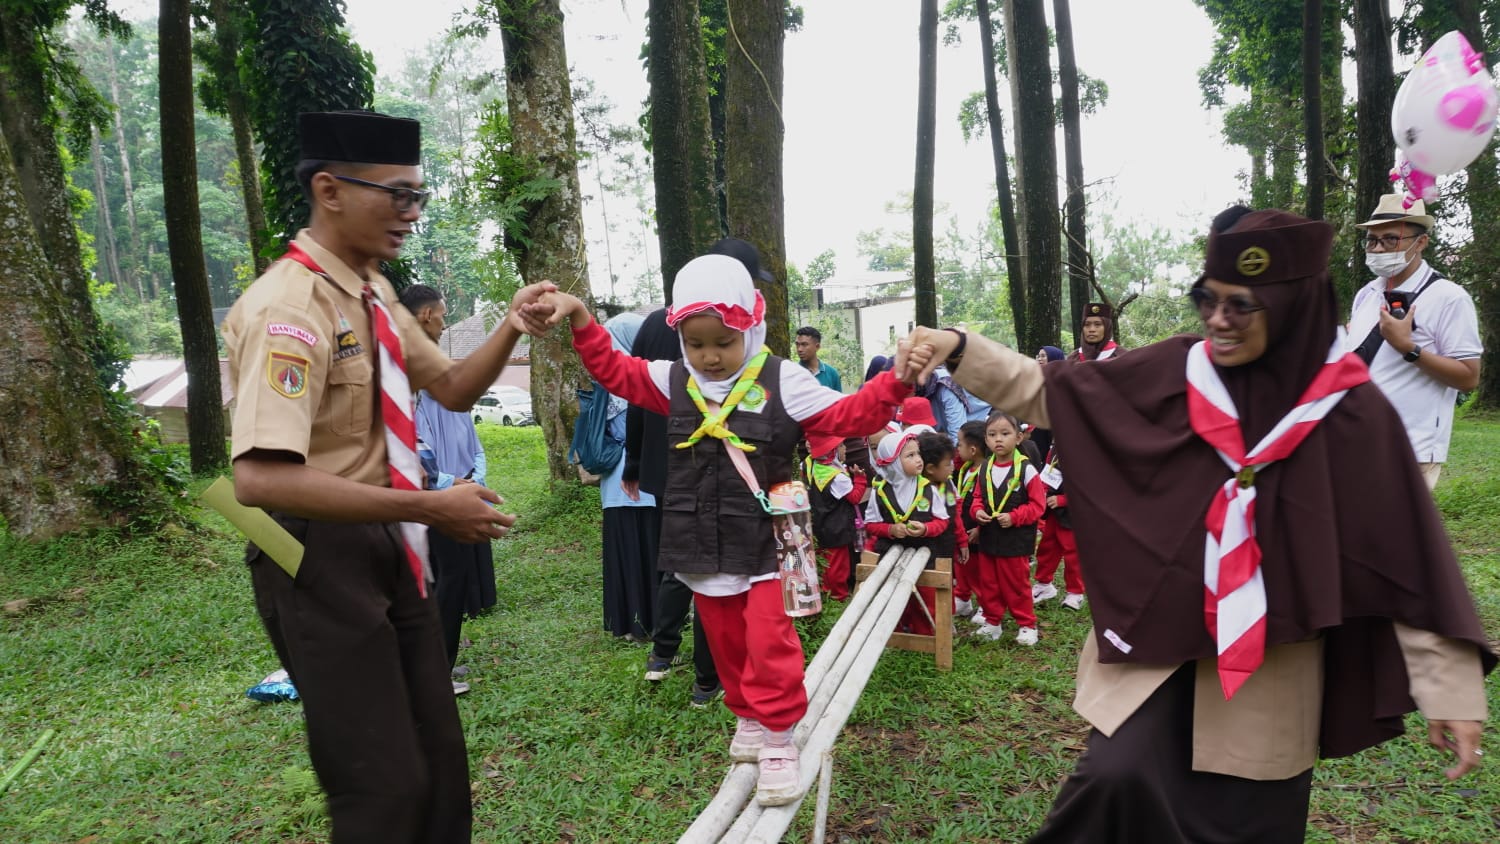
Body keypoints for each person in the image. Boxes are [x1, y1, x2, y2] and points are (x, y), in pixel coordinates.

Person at [897, 206, 1492, 842]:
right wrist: (960, 348)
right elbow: (1057, 393)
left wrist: (1450, 689)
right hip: (1164, 639)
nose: (1218, 320)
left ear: (1292, 306)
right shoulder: (1179, 373)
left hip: (1271, 668)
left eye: (1242, 306)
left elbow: (1406, 551)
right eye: (1209, 299)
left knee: (1245, 821)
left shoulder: (1351, 415)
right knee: (1115, 782)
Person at [223, 110, 547, 843]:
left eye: (418, 197)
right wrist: (433, 508)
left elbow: (455, 387)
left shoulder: (370, 293)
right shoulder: (289, 308)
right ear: (331, 190)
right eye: (396, 195)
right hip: (315, 554)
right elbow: (260, 482)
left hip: (392, 539)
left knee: (438, 763)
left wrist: (512, 325)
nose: (411, 214)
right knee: (380, 787)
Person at [520, 254, 911, 807]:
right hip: (700, 536)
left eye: (723, 343)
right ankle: (747, 715)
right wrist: (582, 317)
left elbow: (851, 416)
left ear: (750, 326)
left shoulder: (784, 379)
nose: (709, 356)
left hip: (767, 539)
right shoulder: (675, 378)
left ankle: (778, 737)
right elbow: (616, 371)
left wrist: (900, 380)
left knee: (768, 639)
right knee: (725, 638)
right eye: (696, 342)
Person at [627, 236, 769, 703]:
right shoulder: (739, 328)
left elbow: (636, 391)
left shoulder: (654, 322)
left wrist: (634, 458)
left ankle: (661, 655)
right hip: (711, 465)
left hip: (663, 465)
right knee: (716, 567)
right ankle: (707, 680)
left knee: (677, 562)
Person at [1348, 194, 1482, 490]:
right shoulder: (1366, 294)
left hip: (1411, 447)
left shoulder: (1449, 298)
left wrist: (1409, 348)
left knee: (1393, 535)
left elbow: (1469, 377)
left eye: (1390, 240)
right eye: (1372, 240)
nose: (1379, 248)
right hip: (1356, 443)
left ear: (1420, 242)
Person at [401, 284, 497, 695]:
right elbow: (411, 444)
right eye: (441, 315)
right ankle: (433, 674)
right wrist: (445, 483)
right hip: (429, 499)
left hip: (452, 489)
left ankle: (436, 666)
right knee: (442, 583)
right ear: (425, 316)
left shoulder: (429, 372)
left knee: (448, 582)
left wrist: (473, 477)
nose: (444, 324)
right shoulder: (409, 373)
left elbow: (470, 440)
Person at [597, 313, 660, 644]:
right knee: (648, 556)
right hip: (643, 484)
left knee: (626, 557)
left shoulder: (609, 381)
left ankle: (627, 623)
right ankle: (649, 623)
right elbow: (629, 432)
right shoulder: (640, 383)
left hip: (615, 489)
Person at [968, 411, 1046, 645]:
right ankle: (993, 622)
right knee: (989, 583)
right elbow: (977, 499)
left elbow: (1038, 506)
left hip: (1015, 540)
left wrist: (1015, 517)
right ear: (986, 439)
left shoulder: (1026, 470)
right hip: (989, 538)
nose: (998, 440)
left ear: (1019, 438)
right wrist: (977, 512)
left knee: (1016, 584)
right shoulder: (984, 469)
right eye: (992, 435)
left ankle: (1026, 624)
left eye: (1005, 433)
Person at [802, 432, 868, 602]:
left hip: (819, 525)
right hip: (836, 529)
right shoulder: (836, 477)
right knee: (838, 568)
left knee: (824, 566)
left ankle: (825, 595)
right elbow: (854, 497)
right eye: (841, 446)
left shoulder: (809, 464)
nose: (845, 449)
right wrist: (860, 479)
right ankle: (838, 597)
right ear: (832, 451)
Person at [1031, 443, 1084, 611]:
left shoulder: (1087, 450)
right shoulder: (1055, 447)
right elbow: (1048, 473)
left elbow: (1091, 486)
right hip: (1054, 510)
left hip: (1074, 513)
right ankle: (1044, 584)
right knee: (1048, 547)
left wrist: (1063, 500)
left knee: (1072, 553)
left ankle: (1075, 592)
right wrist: (1040, 492)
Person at [951, 420, 989, 619]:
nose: (957, 448)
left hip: (976, 532)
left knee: (977, 571)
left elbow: (989, 504)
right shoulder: (966, 468)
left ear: (973, 449)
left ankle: (985, 605)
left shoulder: (986, 472)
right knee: (961, 566)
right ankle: (963, 599)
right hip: (962, 528)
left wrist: (979, 529)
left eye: (959, 443)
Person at [795, 326, 843, 391]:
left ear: (817, 346)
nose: (799, 349)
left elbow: (839, 400)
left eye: (804, 344)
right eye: (797, 344)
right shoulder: (793, 373)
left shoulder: (832, 374)